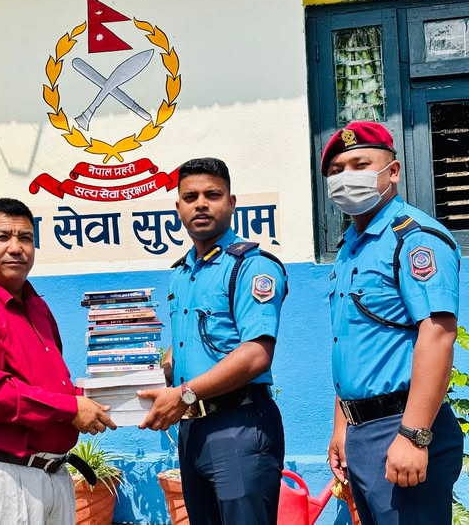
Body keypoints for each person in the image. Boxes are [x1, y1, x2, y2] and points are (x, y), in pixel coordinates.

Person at [0, 197, 117, 525]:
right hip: (4, 478)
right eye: (2, 237)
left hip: (54, 475)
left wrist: (100, 399)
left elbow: (52, 385)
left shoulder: (38, 306)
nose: (16, 247)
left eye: (25, 238)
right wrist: (71, 408)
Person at [322, 121, 464, 524]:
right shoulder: (350, 248)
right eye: (336, 171)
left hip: (404, 427)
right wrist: (342, 426)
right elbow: (352, 344)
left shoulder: (415, 238)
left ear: (393, 171)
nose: (346, 177)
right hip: (361, 433)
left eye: (360, 165)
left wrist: (414, 435)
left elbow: (438, 335)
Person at [139, 157, 288, 524]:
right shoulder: (182, 273)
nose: (201, 204)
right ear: (178, 207)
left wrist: (183, 393)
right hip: (193, 431)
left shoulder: (252, 266)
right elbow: (187, 344)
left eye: (213, 195)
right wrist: (144, 375)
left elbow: (256, 354)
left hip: (239, 426)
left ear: (231, 203)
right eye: (191, 197)